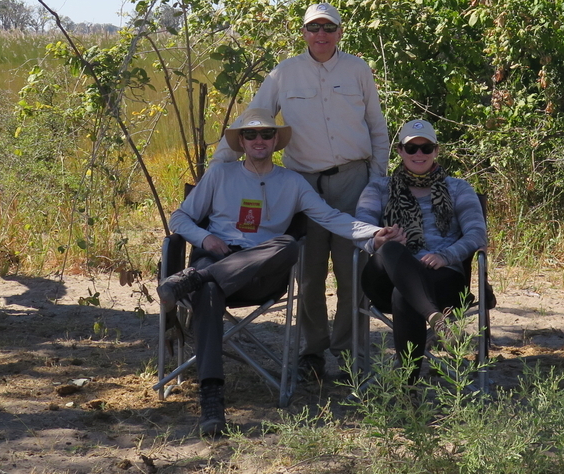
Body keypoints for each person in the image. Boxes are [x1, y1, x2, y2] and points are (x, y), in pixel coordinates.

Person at [160, 108, 403, 436]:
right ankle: (212, 399)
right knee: (209, 289)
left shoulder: (292, 182)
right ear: (241, 142)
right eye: (250, 135)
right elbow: (179, 219)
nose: (258, 140)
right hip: (217, 260)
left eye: (266, 134)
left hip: (262, 271)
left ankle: (194, 279)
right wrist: (206, 238)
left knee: (286, 246)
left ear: (276, 141)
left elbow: (331, 217)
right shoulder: (220, 174)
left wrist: (373, 235)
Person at [208, 3, 388, 382]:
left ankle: (351, 353)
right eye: (313, 28)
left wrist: (377, 180)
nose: (320, 34)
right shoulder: (283, 73)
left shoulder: (358, 70)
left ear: (340, 31)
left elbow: (377, 128)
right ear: (303, 32)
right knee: (308, 273)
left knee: (353, 270)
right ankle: (312, 353)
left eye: (328, 27)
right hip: (301, 183)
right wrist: (216, 170)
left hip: (354, 181)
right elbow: (252, 120)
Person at [355, 119, 486, 377]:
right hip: (384, 276)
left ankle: (408, 387)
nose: (419, 154)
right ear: (400, 152)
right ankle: (435, 318)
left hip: (441, 277)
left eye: (426, 148)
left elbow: (477, 234)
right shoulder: (378, 188)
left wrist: (445, 255)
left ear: (436, 151)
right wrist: (378, 238)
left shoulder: (459, 188)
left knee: (404, 293)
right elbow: (359, 230)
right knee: (392, 250)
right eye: (411, 148)